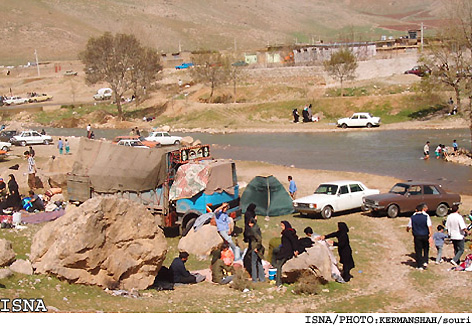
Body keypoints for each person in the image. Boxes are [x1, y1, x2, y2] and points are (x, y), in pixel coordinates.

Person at [406, 203, 432, 270]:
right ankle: (425, 261)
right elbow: (429, 226)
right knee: (426, 248)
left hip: (417, 235)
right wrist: (430, 234)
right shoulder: (426, 216)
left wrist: (407, 230)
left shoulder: (413, 217)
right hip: (425, 234)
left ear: (416, 210)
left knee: (418, 250)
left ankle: (420, 265)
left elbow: (409, 226)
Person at [275, 221, 299, 287]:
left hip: (285, 252)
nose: (281, 227)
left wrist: (295, 250)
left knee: (279, 265)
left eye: (282, 225)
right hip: (287, 251)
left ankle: (278, 283)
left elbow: (292, 241)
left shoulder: (286, 232)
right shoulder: (290, 232)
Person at [247, 217, 265, 283]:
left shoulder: (253, 230)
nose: (249, 225)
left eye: (250, 223)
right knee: (259, 262)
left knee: (253, 263)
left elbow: (259, 239)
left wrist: (256, 247)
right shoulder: (257, 228)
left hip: (255, 248)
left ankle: (254, 279)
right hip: (259, 248)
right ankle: (262, 278)